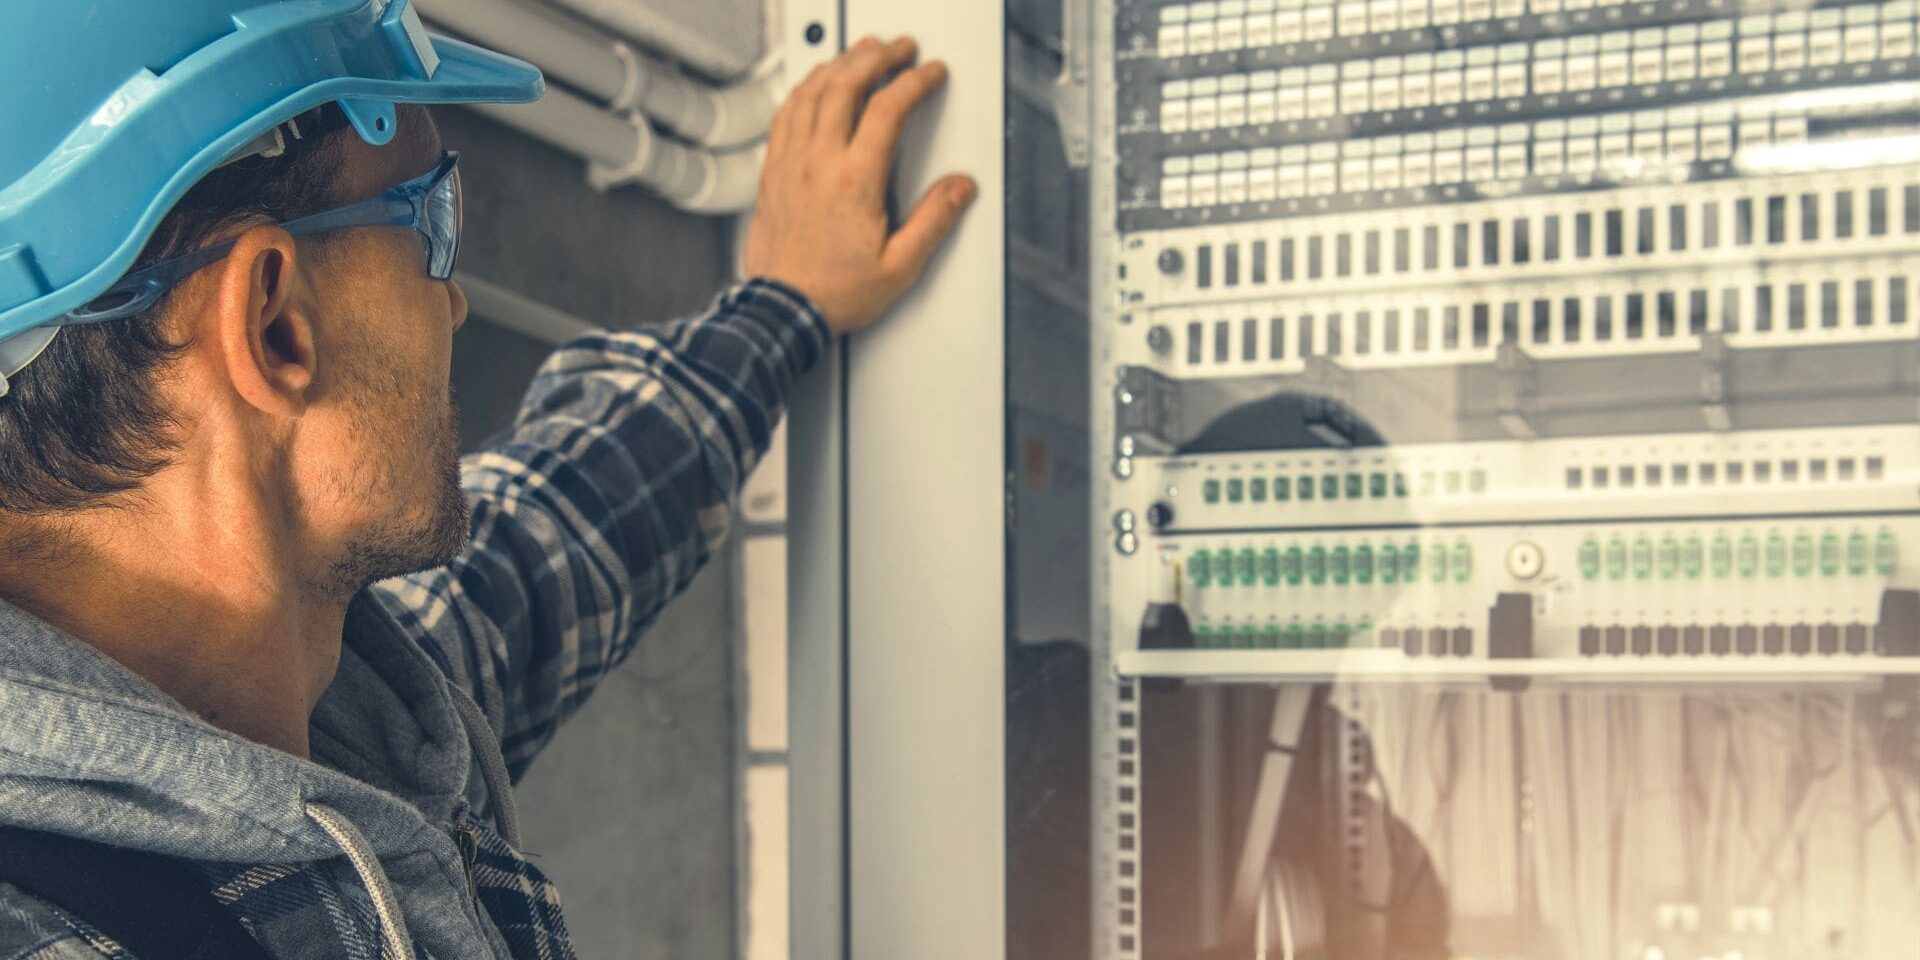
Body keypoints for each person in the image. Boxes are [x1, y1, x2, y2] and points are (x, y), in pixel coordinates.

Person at [0, 2, 975, 957]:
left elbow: (543, 556)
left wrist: (784, 306)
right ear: (273, 323)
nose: (455, 300)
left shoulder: (322, 709)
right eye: (431, 222)